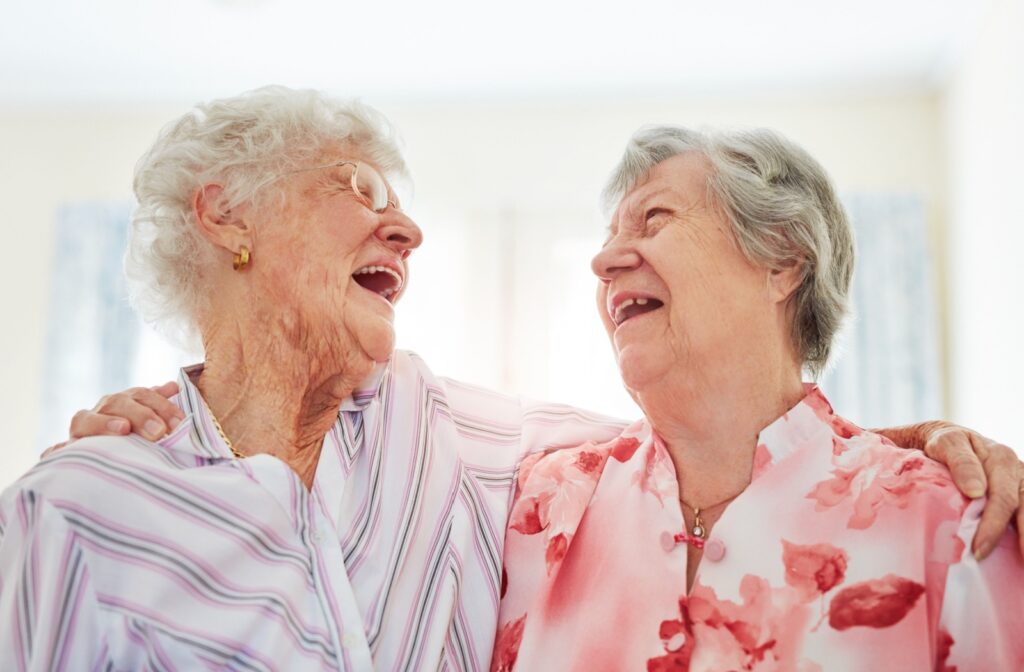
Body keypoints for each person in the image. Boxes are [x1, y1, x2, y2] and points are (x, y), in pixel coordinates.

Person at [18, 88, 1022, 671]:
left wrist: (912, 444)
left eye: (653, 221)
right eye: (358, 191)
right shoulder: (75, 508)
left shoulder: (476, 448)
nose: (406, 229)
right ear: (225, 218)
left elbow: (737, 446)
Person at [491, 126, 1024, 671]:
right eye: (607, 238)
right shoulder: (538, 506)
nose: (603, 263)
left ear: (782, 260)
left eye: (655, 218)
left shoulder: (951, 522)